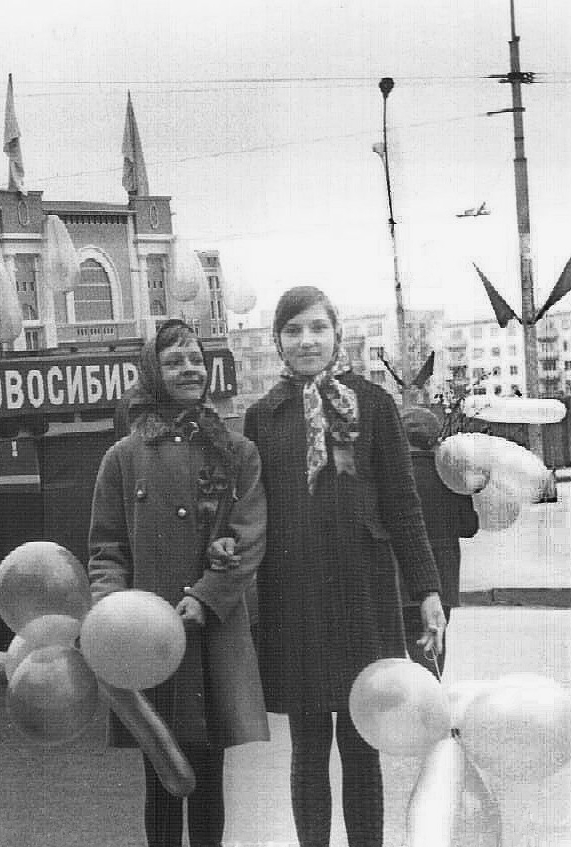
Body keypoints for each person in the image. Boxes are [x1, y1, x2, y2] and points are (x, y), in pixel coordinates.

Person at [243, 286, 445, 847]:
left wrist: (427, 590)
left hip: (363, 596)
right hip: (295, 600)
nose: (306, 341)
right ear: (277, 342)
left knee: (363, 741)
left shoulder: (374, 405)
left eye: (317, 328)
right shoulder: (264, 417)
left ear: (337, 334)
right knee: (308, 749)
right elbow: (250, 513)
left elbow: (403, 505)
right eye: (292, 331)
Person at [88, 319, 269, 847]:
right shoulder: (123, 458)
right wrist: (112, 615)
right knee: (163, 778)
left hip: (211, 635)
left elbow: (249, 534)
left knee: (208, 779)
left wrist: (207, 597)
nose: (189, 369)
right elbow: (107, 548)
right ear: (153, 373)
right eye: (173, 362)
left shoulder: (236, 451)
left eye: (195, 359)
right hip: (146, 644)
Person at [398, 405, 479, 677]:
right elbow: (469, 527)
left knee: (400, 654)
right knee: (431, 651)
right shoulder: (450, 474)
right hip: (443, 578)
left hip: (402, 577)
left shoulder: (393, 476)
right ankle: (431, 697)